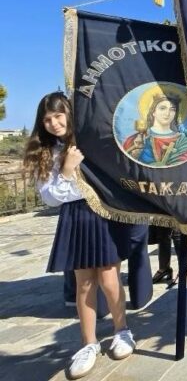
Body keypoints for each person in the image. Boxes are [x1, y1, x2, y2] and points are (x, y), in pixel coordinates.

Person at [23, 92, 136, 379]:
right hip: (74, 216)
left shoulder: (90, 140)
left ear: (70, 114)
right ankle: (88, 344)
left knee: (110, 278)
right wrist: (67, 169)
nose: (54, 123)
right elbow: (50, 198)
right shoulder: (47, 153)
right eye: (47, 119)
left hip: (102, 212)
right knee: (83, 284)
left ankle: (122, 331)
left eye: (59, 115)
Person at [123, 93, 187, 167]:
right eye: (162, 108)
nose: (167, 113)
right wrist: (136, 153)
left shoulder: (184, 143)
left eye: (172, 109)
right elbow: (124, 164)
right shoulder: (136, 140)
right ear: (153, 112)